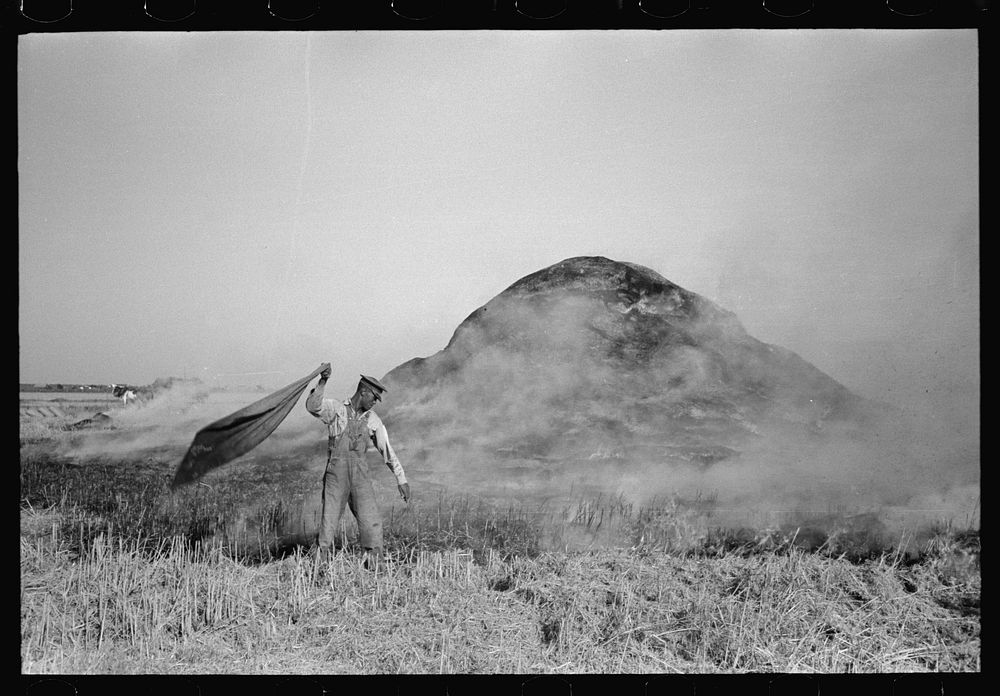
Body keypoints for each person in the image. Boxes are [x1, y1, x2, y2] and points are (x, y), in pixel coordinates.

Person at [305, 364, 410, 565]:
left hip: (360, 477)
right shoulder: (336, 409)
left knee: (372, 520)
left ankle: (375, 566)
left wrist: (401, 479)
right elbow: (312, 406)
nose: (375, 403)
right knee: (329, 521)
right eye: (374, 397)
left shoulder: (374, 421)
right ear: (363, 392)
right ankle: (319, 566)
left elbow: (388, 451)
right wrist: (323, 381)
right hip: (336, 475)